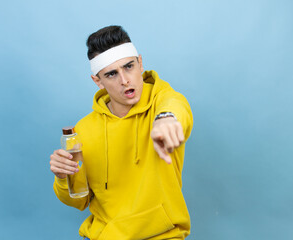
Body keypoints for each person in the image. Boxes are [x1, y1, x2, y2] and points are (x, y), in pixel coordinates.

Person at [50, 25, 193, 240]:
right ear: (98, 81)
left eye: (129, 66)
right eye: (111, 74)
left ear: (140, 63)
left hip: (162, 235)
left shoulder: (163, 101)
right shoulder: (84, 131)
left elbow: (175, 107)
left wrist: (166, 119)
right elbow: (78, 200)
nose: (125, 80)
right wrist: (63, 177)